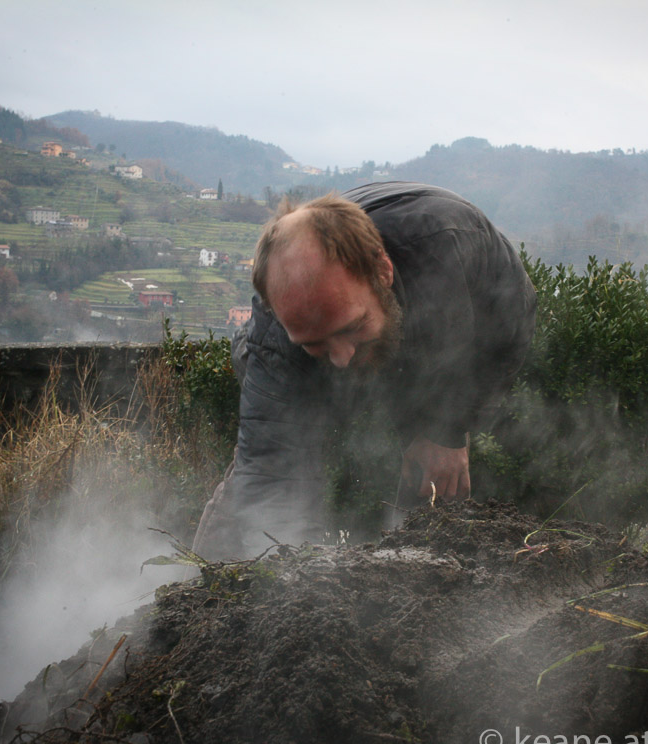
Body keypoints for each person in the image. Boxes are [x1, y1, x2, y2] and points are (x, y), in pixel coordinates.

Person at [192, 181, 537, 559]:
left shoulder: (446, 250)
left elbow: (501, 344)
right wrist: (283, 581)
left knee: (433, 471)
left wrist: (446, 428)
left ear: (382, 271)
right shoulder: (277, 336)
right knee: (251, 518)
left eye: (350, 328)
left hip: (458, 323)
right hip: (309, 360)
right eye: (315, 343)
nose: (341, 358)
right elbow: (271, 474)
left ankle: (421, 576)